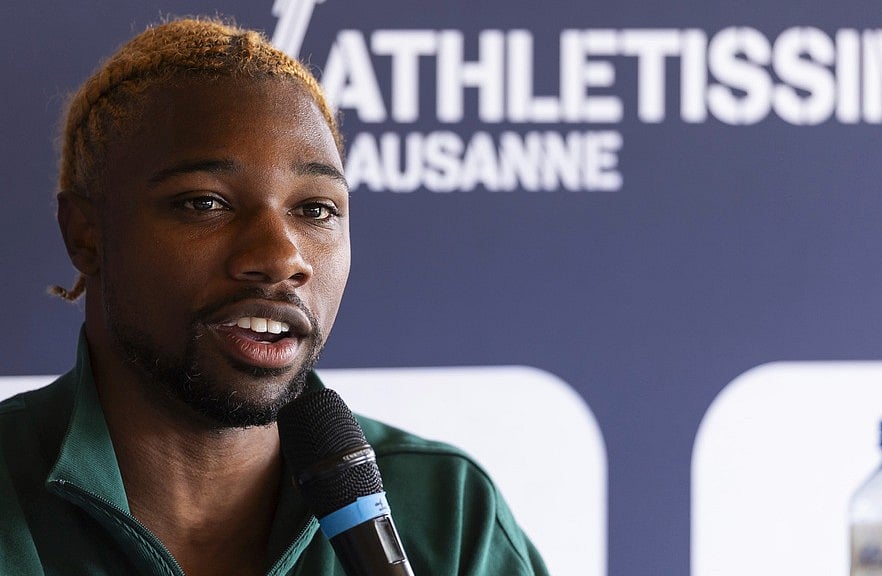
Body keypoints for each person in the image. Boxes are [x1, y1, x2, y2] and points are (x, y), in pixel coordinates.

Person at [0, 17, 548, 576]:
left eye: (316, 209)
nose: (282, 257)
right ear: (86, 235)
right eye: (205, 203)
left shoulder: (449, 512)